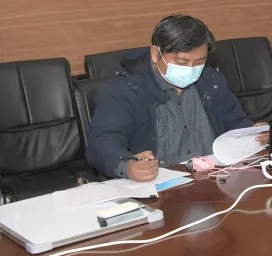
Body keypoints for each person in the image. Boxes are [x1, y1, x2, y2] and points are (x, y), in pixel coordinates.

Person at [86, 15, 257, 181]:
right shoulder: (124, 90)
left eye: (199, 62)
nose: (191, 69)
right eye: (182, 62)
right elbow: (101, 143)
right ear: (156, 54)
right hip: (160, 185)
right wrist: (128, 166)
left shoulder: (212, 81)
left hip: (214, 176)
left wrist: (253, 134)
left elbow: (235, 123)